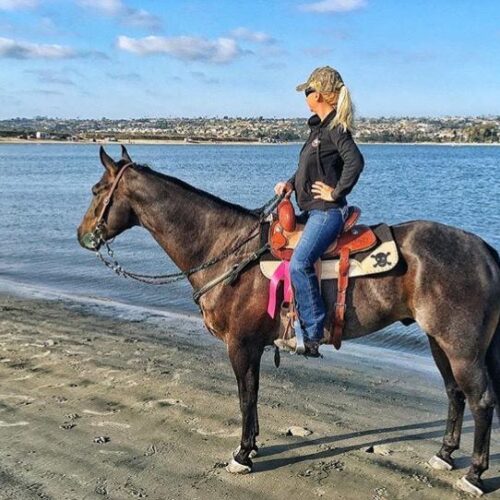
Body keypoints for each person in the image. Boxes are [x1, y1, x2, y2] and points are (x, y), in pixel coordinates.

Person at [274, 66, 364, 357]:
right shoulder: (319, 129)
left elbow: (355, 162)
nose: (305, 96)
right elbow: (308, 170)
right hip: (313, 210)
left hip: (327, 213)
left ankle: (313, 334)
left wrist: (336, 193)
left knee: (300, 263)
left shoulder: (335, 128)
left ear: (320, 95)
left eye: (308, 91)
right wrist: (290, 183)